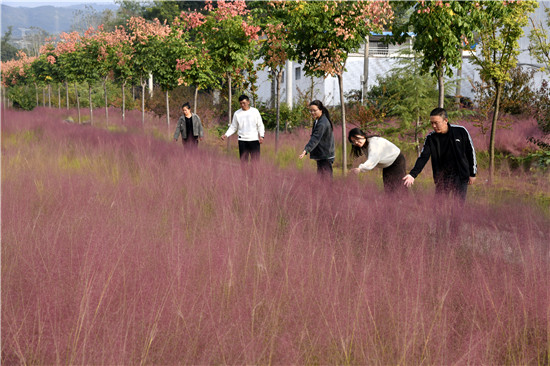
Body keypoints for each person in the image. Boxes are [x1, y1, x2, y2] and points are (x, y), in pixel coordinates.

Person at [403, 107, 477, 201]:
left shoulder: (460, 131)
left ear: (445, 120)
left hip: (460, 176)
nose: (433, 126)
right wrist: (412, 175)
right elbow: (423, 157)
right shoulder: (431, 138)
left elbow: (471, 152)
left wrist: (472, 174)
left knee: (458, 207)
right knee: (438, 207)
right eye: (431, 123)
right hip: (442, 178)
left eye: (436, 123)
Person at [348, 128, 407, 194]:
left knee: (398, 188)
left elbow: (372, 159)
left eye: (357, 139)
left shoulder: (374, 143)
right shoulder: (365, 145)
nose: (356, 142)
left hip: (396, 161)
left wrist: (360, 169)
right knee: (388, 188)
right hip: (388, 164)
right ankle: (392, 203)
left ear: (363, 135)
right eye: (353, 141)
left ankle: (405, 203)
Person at [221, 95, 265, 164]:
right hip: (242, 140)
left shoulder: (255, 111)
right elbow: (233, 127)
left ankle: (254, 174)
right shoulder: (237, 113)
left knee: (255, 161)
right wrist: (226, 135)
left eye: (244, 103)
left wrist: (261, 136)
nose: (242, 105)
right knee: (243, 162)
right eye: (241, 103)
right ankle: (244, 175)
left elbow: (260, 125)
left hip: (254, 140)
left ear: (248, 102)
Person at [299, 100, 336, 179]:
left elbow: (315, 138)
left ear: (320, 110)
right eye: (311, 111)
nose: (312, 113)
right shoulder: (318, 120)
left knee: (326, 181)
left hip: (325, 155)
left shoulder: (322, 123)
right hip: (322, 155)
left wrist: (306, 150)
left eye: (314, 110)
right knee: (321, 180)